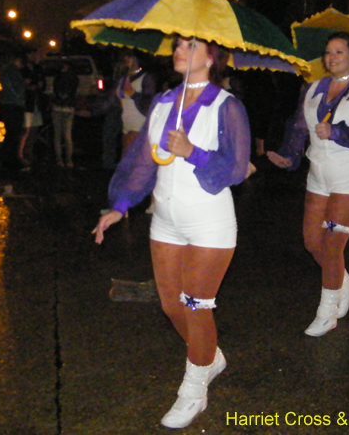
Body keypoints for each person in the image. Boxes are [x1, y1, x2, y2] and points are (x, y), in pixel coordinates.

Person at [93, 36, 250, 428]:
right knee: (170, 305)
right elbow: (143, 161)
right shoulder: (163, 103)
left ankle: (194, 390)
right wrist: (121, 205)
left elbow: (235, 169)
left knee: (197, 306)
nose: (179, 51)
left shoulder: (226, 106)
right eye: (178, 45)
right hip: (165, 219)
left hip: (208, 221)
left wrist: (191, 151)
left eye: (190, 46)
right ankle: (209, 356)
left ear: (211, 57)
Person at [268, 32, 349, 336]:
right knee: (312, 242)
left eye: (340, 52)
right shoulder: (313, 87)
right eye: (329, 52)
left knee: (332, 245)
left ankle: (328, 311)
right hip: (318, 172)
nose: (332, 58)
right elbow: (297, 127)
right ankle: (345, 286)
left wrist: (337, 132)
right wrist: (288, 157)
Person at [116, 50, 156, 157]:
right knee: (128, 159)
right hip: (126, 123)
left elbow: (149, 103)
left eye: (129, 57)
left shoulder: (146, 78)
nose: (126, 60)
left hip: (139, 123)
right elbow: (113, 100)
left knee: (127, 158)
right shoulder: (123, 79)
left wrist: (133, 93)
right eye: (124, 57)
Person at [0, 53, 26, 171]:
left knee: (11, 134)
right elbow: (13, 88)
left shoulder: (6, 70)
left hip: (9, 105)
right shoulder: (11, 70)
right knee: (13, 134)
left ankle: (7, 160)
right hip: (14, 105)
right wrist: (18, 94)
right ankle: (10, 162)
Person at [19, 51, 46, 167]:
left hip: (37, 102)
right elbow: (22, 84)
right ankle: (21, 154)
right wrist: (28, 86)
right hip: (27, 103)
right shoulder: (23, 70)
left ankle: (29, 151)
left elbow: (42, 83)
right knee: (26, 130)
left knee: (34, 129)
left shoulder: (38, 69)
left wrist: (40, 85)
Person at [51, 60, 79, 167]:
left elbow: (65, 92)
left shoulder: (67, 78)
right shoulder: (69, 78)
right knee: (62, 135)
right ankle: (64, 159)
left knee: (64, 135)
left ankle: (66, 159)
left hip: (64, 108)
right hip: (62, 108)